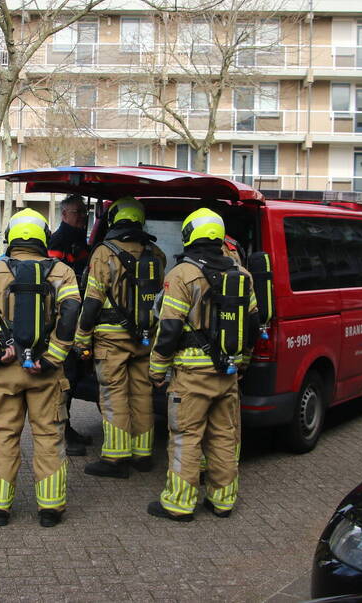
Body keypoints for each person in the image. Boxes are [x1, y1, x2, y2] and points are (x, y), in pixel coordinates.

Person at [0, 208, 81, 527]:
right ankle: (50, 509)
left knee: (4, 436)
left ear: (10, 237)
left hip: (7, 371)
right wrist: (53, 357)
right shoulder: (63, 272)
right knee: (49, 437)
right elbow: (71, 313)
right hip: (47, 372)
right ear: (44, 237)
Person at [146, 208, 258, 522]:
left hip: (191, 375)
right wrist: (243, 362)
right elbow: (252, 324)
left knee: (186, 437)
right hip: (228, 373)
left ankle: (179, 504)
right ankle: (223, 501)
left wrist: (157, 369)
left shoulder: (182, 274)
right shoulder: (242, 274)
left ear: (189, 235)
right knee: (224, 436)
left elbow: (169, 328)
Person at [74, 197, 165, 478]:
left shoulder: (104, 253)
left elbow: (92, 301)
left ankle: (115, 459)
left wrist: (82, 338)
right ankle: (142, 454)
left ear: (114, 219)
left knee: (114, 396)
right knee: (142, 394)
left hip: (111, 339)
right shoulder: (156, 253)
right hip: (145, 338)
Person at [47, 194, 93, 456]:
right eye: (78, 212)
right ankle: (60, 432)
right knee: (65, 377)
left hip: (79, 317)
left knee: (74, 378)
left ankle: (67, 427)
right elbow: (55, 279)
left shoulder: (80, 240)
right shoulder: (58, 241)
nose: (83, 217)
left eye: (85, 212)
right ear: (64, 214)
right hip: (64, 319)